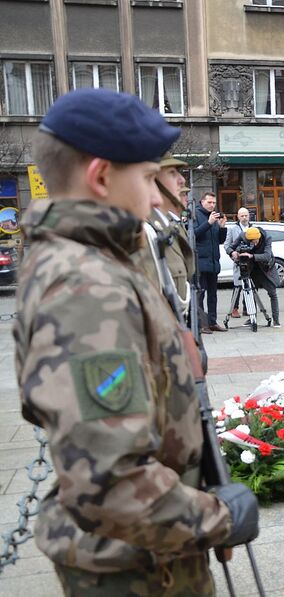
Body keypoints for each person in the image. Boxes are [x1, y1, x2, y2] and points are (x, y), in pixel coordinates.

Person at [15, 88, 258, 596]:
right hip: (139, 571)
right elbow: (110, 482)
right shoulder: (86, 287)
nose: (156, 197)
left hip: (148, 556)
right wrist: (219, 517)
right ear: (101, 176)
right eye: (149, 178)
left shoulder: (93, 261)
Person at [131, 152, 195, 317]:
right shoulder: (144, 233)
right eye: (172, 173)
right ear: (151, 180)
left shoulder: (164, 228)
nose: (182, 180)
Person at [193, 192, 228, 333]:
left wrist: (222, 228)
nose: (212, 205)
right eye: (209, 202)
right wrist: (208, 223)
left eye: (214, 203)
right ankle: (202, 324)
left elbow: (219, 241)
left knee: (213, 295)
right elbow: (194, 234)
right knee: (200, 294)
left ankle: (212, 322)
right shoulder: (195, 214)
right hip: (200, 262)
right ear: (202, 202)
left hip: (213, 262)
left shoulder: (213, 217)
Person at [223, 206, 254, 316]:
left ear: (249, 216)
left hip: (251, 261)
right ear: (238, 216)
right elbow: (227, 245)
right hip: (238, 261)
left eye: (246, 215)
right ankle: (234, 308)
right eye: (242, 216)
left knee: (250, 285)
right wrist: (232, 253)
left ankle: (248, 308)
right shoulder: (233, 229)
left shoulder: (254, 228)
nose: (244, 218)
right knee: (237, 285)